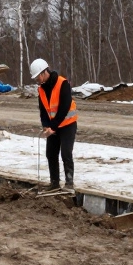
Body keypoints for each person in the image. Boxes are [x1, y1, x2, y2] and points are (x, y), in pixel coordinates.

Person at [30, 58, 77, 189]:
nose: (36, 80)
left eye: (37, 77)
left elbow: (64, 108)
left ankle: (69, 183)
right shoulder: (41, 89)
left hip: (67, 124)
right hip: (52, 126)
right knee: (51, 153)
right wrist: (45, 125)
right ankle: (54, 183)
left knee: (66, 153)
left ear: (43, 73)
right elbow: (43, 110)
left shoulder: (63, 83)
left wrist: (53, 127)